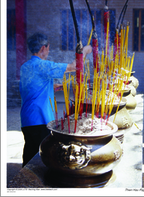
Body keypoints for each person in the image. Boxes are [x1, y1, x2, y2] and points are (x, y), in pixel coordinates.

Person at [19, 32, 92, 167]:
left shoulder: (25, 66)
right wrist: (85, 51)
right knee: (41, 154)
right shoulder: (42, 65)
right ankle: (32, 182)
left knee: (30, 149)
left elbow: (32, 87)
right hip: (39, 118)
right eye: (48, 48)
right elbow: (74, 66)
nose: (48, 51)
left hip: (27, 118)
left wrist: (52, 87)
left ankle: (25, 178)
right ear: (43, 48)